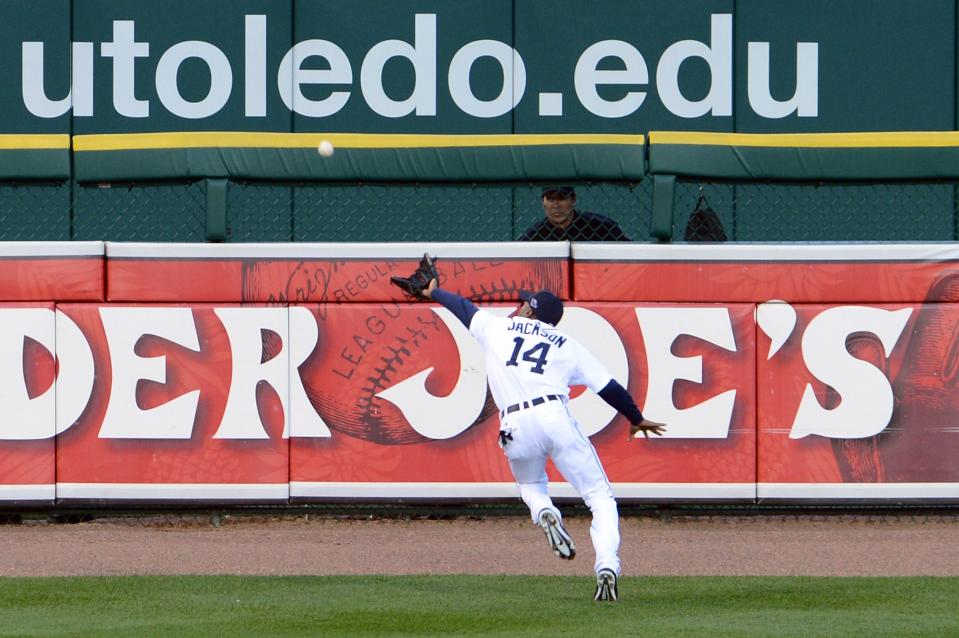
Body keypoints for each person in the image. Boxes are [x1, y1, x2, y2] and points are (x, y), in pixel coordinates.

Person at [419, 272, 665, 602]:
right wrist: (636, 418)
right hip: (553, 415)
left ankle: (545, 512)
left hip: (514, 424)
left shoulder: (499, 328)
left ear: (531, 311)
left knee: (531, 487)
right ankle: (607, 565)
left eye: (524, 303)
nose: (519, 306)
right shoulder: (568, 345)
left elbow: (462, 308)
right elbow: (609, 387)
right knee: (599, 497)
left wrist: (434, 291)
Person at [519, 186, 632, 241]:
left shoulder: (601, 227)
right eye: (551, 199)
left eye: (561, 198)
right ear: (543, 201)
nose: (556, 205)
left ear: (573, 199)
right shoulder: (533, 237)